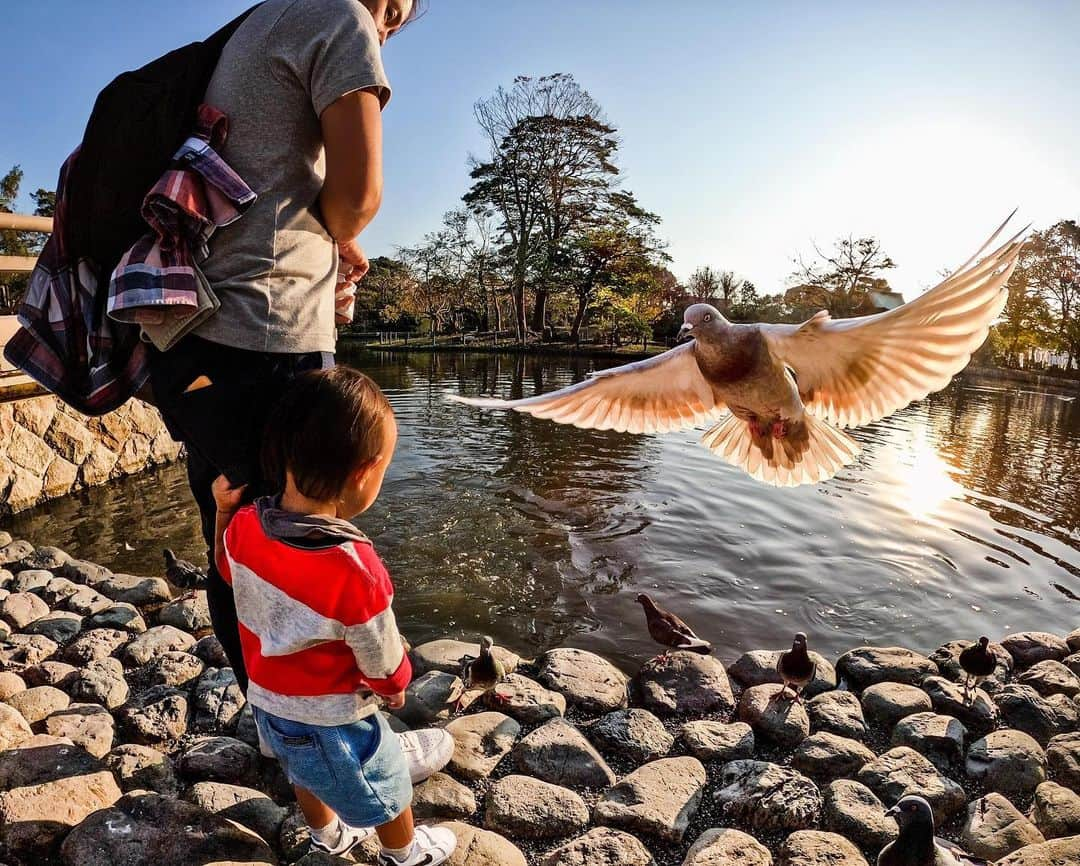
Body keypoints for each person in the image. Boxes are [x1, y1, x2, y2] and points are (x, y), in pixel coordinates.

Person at [148, 0, 415, 697]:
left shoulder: (255, 22)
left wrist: (329, 235)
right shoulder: (342, 17)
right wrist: (342, 227)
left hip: (193, 330)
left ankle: (272, 719)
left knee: (235, 539)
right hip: (271, 334)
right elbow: (358, 195)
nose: (384, 25)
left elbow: (260, 183)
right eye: (391, 8)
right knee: (302, 547)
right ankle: (316, 735)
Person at [211, 366, 457, 865]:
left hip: (269, 702)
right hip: (333, 717)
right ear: (365, 473)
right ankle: (405, 853)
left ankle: (329, 836)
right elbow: (384, 661)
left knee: (301, 770)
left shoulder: (246, 526)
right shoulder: (355, 569)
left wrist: (221, 511)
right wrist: (395, 689)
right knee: (387, 784)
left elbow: (226, 568)